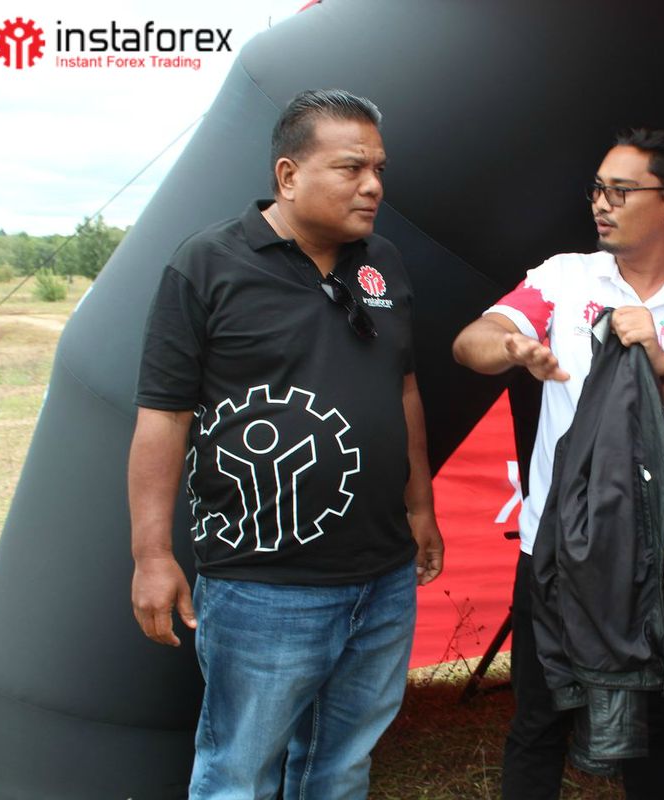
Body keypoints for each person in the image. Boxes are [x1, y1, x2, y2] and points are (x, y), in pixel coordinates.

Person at [128, 88, 444, 799]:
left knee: (340, 766)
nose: (373, 185)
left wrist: (420, 508)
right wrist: (151, 555)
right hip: (263, 584)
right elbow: (163, 417)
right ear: (288, 175)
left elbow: (402, 389)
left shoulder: (383, 261)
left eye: (379, 169)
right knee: (238, 772)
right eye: (351, 167)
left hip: (383, 577)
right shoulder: (207, 265)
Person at [452, 127, 664, 799]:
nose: (601, 204)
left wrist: (660, 361)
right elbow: (472, 342)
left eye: (620, 191)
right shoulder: (565, 277)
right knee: (539, 720)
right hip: (558, 549)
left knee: (653, 728)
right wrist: (513, 348)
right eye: (597, 189)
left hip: (662, 556)